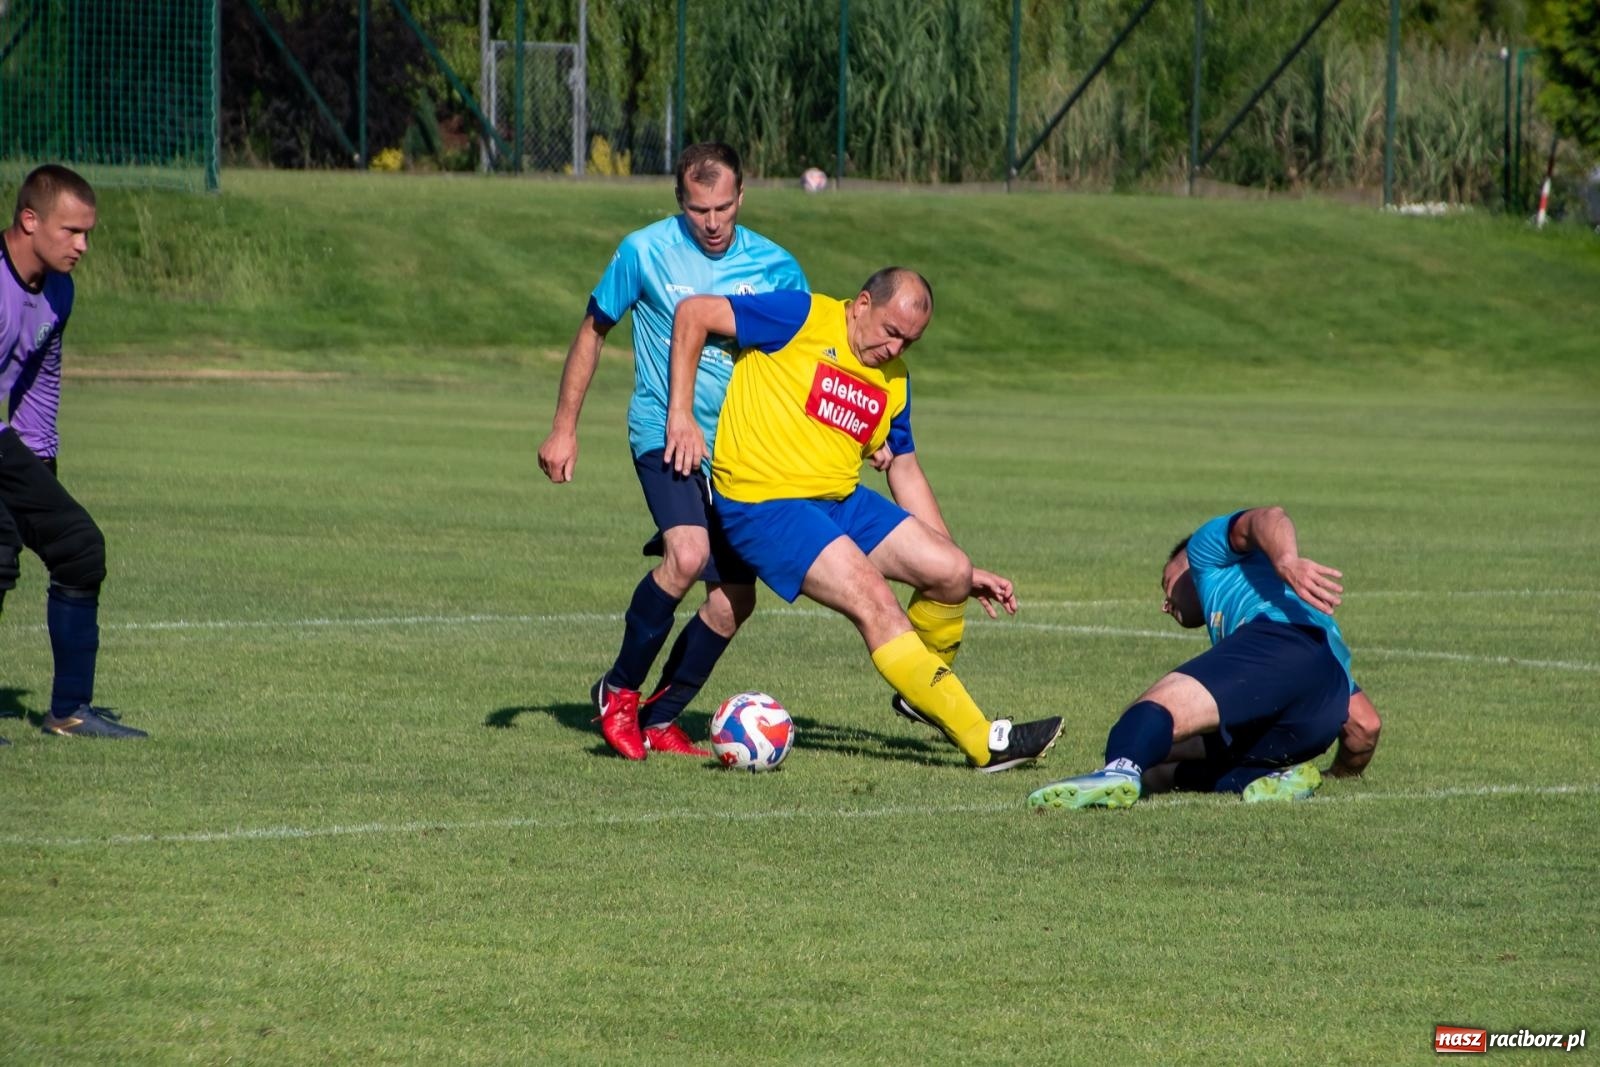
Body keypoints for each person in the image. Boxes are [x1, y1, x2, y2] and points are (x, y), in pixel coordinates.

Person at [663, 267, 1063, 772]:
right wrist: (680, 412)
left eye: (909, 342)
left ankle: (921, 693)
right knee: (876, 602)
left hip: (838, 500)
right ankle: (985, 741)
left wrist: (960, 567)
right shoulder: (800, 316)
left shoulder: (894, 381)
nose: (895, 349)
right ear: (861, 304)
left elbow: (905, 467)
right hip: (764, 503)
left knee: (951, 571)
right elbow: (693, 312)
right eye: (890, 332)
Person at [537, 143, 807, 760]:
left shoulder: (778, 269)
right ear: (679, 201)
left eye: (722, 208)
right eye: (697, 209)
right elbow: (593, 330)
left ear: (742, 196)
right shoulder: (644, 250)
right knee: (687, 555)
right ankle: (619, 689)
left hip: (738, 450)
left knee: (734, 601)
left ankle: (661, 717)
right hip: (663, 431)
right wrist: (563, 427)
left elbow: (801, 366)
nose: (711, 223)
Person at [1028, 506, 1381, 809]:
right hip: (1315, 714)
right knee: (1157, 767)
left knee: (1145, 714)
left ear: (1184, 568)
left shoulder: (1203, 551)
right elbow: (1365, 727)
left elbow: (1268, 517)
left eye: (1166, 585)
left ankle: (1118, 769)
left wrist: (1287, 561)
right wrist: (1336, 777)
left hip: (1277, 643)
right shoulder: (1321, 627)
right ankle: (1262, 779)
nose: (1165, 604)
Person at [1, 164, 146, 740]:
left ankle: (70, 711)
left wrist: (42, 469)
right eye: (72, 232)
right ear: (29, 221)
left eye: (88, 233)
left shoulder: (59, 291)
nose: (83, 245)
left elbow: (38, 381)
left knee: (79, 546)